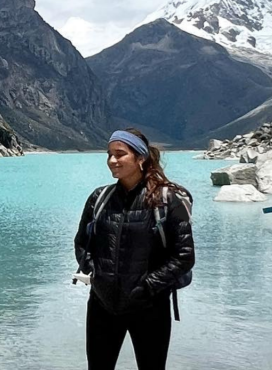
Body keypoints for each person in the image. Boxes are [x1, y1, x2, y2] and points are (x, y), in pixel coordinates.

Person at [74, 128, 195, 370]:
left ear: (140, 158)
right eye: (109, 154)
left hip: (149, 307)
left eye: (120, 154)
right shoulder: (99, 198)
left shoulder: (169, 199)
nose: (112, 160)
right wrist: (96, 274)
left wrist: (148, 286)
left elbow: (184, 256)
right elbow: (82, 243)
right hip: (103, 305)